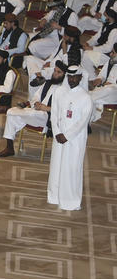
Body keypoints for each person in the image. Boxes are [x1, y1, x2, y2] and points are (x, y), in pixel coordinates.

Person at [49, 65, 93, 211]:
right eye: (69, 77)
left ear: (80, 77)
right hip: (58, 137)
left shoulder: (85, 97)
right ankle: (54, 196)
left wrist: (67, 136)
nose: (72, 80)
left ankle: (70, 200)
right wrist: (56, 132)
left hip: (75, 140)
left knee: (71, 168)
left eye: (75, 77)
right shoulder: (59, 92)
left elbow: (83, 122)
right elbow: (54, 113)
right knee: (56, 166)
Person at [0, 62, 64, 158]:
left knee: (16, 113)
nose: (55, 74)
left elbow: (63, 110)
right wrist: (36, 103)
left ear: (65, 75)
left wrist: (46, 108)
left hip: (48, 117)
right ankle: (9, 147)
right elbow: (35, 97)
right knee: (12, 114)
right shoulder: (48, 83)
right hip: (37, 112)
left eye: (59, 72)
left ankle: (9, 109)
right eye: (55, 71)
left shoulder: (65, 90)